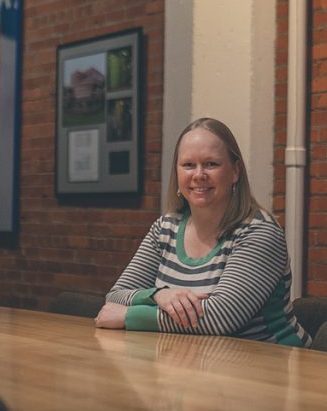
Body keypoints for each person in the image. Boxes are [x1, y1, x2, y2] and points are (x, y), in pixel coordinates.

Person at [95, 117, 310, 346]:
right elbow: (116, 296)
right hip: (203, 363)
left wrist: (131, 316)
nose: (198, 175)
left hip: (275, 366)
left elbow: (221, 317)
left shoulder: (259, 232)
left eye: (211, 164)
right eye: (188, 165)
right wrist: (158, 295)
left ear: (235, 171)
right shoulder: (165, 228)